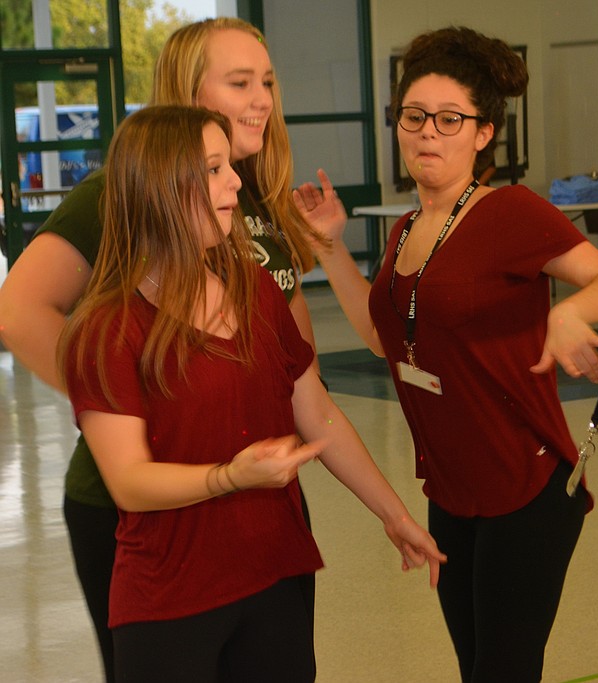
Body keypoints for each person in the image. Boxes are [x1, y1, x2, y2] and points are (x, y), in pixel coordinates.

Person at [293, 26, 598, 683]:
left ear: (483, 134)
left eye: (450, 119)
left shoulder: (512, 212)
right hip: (451, 494)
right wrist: (329, 247)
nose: (428, 132)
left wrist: (567, 311)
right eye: (414, 116)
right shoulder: (405, 230)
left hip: (526, 489)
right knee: (475, 666)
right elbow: (384, 339)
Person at [58, 104, 444, 683]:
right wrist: (230, 476)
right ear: (159, 187)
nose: (235, 180)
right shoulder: (107, 328)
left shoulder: (257, 290)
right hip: (170, 600)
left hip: (275, 576)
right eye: (213, 169)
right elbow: (130, 483)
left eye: (228, 167)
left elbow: (317, 412)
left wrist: (394, 514)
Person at [0, 18, 321, 682]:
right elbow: (17, 310)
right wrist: (128, 400)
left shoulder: (247, 190)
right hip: (140, 506)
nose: (263, 98)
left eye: (267, 81)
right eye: (240, 82)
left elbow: (298, 365)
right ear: (186, 90)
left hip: (257, 498)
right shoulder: (127, 187)